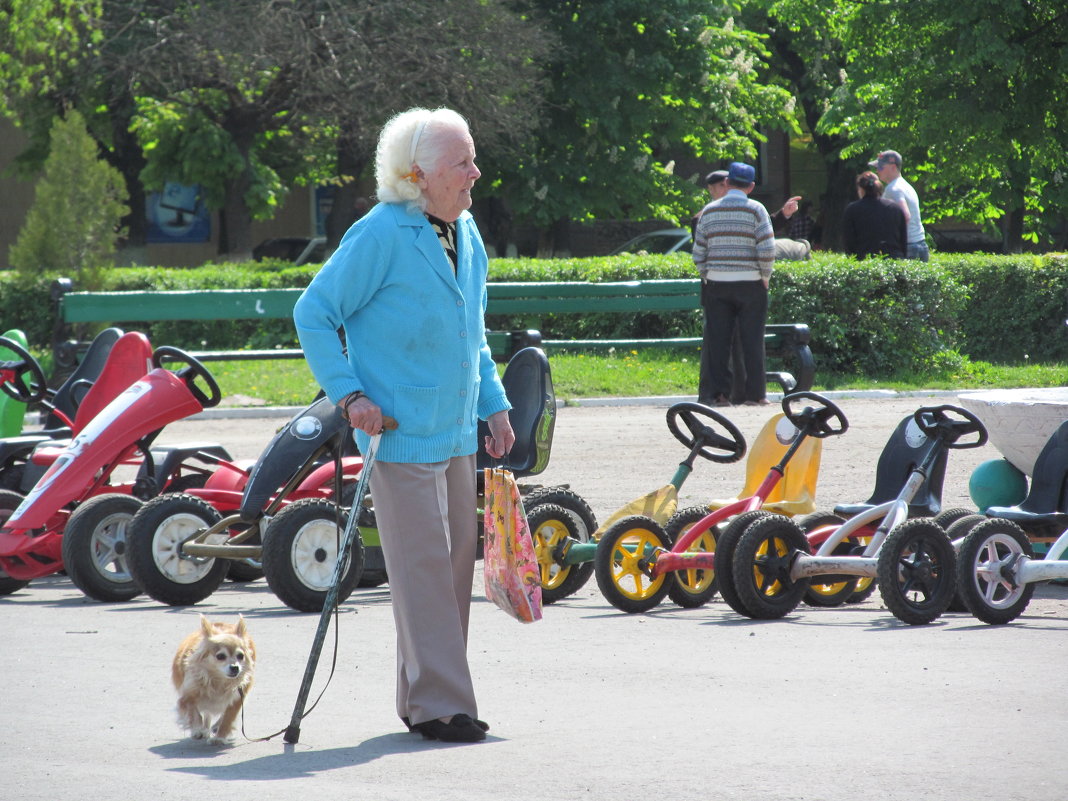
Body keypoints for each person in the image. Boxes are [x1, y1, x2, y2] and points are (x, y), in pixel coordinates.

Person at [293, 107, 515, 744]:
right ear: (418, 175)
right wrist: (349, 396)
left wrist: (493, 405)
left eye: (472, 159)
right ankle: (446, 706)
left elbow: (471, 335)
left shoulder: (464, 231)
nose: (475, 173)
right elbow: (314, 314)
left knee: (451, 573)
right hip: (398, 432)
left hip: (454, 431)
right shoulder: (380, 233)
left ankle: (425, 701)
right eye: (461, 164)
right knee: (421, 573)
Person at [692, 161, 775, 407]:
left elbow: (699, 252)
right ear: (750, 187)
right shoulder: (756, 210)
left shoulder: (709, 210)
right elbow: (767, 249)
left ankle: (719, 394)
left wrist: (708, 273)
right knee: (752, 339)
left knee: (718, 341)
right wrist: (765, 276)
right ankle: (755, 395)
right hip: (751, 283)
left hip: (717, 284)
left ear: (727, 183)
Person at [871, 150, 929, 261]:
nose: (877, 171)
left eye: (881, 167)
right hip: (920, 244)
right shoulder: (906, 186)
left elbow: (905, 215)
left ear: (893, 167)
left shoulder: (893, 189)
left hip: (907, 247)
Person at [842, 171, 907, 259]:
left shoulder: (852, 210)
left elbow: (849, 241)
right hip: (894, 260)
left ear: (861, 189)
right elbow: (903, 239)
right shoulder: (894, 207)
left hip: (865, 261)